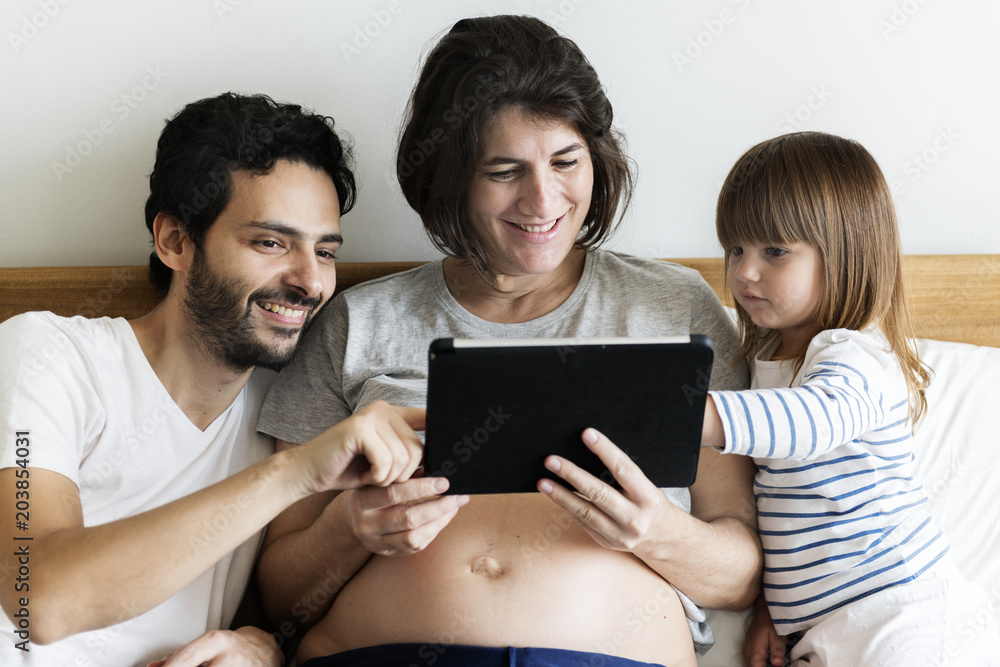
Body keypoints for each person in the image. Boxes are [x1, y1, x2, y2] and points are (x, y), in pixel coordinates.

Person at [256, 15, 760, 667]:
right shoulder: (355, 323)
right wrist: (351, 526)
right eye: (504, 170)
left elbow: (744, 573)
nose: (542, 199)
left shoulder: (674, 306)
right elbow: (278, 598)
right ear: (450, 178)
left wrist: (657, 533)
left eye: (565, 162)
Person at [0, 92, 425, 667]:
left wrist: (261, 648)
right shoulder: (49, 353)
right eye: (271, 242)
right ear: (175, 241)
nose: (309, 282)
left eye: (325, 251)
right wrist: (296, 472)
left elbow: (265, 608)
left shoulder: (285, 410)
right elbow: (37, 598)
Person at [700, 131, 1000, 666]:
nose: (745, 271)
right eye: (735, 249)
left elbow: (816, 421)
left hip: (904, 614)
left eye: (774, 251)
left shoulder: (855, 356)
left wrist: (693, 415)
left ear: (845, 255)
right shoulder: (767, 367)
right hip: (827, 631)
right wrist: (775, 610)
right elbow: (788, 509)